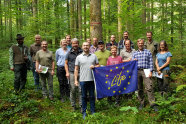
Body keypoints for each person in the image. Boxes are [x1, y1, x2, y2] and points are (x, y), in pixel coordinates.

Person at [74, 42, 99, 119]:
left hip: (92, 80)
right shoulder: (79, 57)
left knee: (92, 96)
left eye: (87, 45)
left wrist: (94, 66)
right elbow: (76, 69)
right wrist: (75, 80)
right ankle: (84, 112)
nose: (85, 47)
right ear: (82, 47)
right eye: (84, 45)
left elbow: (98, 65)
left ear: (89, 47)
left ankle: (93, 111)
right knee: (83, 96)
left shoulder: (94, 56)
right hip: (82, 80)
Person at [132, 39, 158, 111]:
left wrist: (151, 71)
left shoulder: (147, 52)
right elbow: (132, 63)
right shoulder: (134, 53)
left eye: (142, 43)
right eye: (139, 43)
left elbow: (151, 62)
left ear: (144, 44)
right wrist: (133, 61)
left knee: (149, 87)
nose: (140, 44)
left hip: (146, 70)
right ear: (137, 44)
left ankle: (152, 103)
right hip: (137, 71)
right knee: (139, 88)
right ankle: (141, 102)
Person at [65, 38, 83, 111]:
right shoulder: (69, 53)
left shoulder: (82, 52)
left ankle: (81, 105)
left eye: (76, 43)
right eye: (73, 43)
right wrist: (67, 72)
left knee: (81, 90)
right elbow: (66, 63)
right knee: (72, 89)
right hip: (72, 73)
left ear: (78, 44)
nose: (75, 45)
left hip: (81, 72)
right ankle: (73, 105)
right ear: (71, 44)